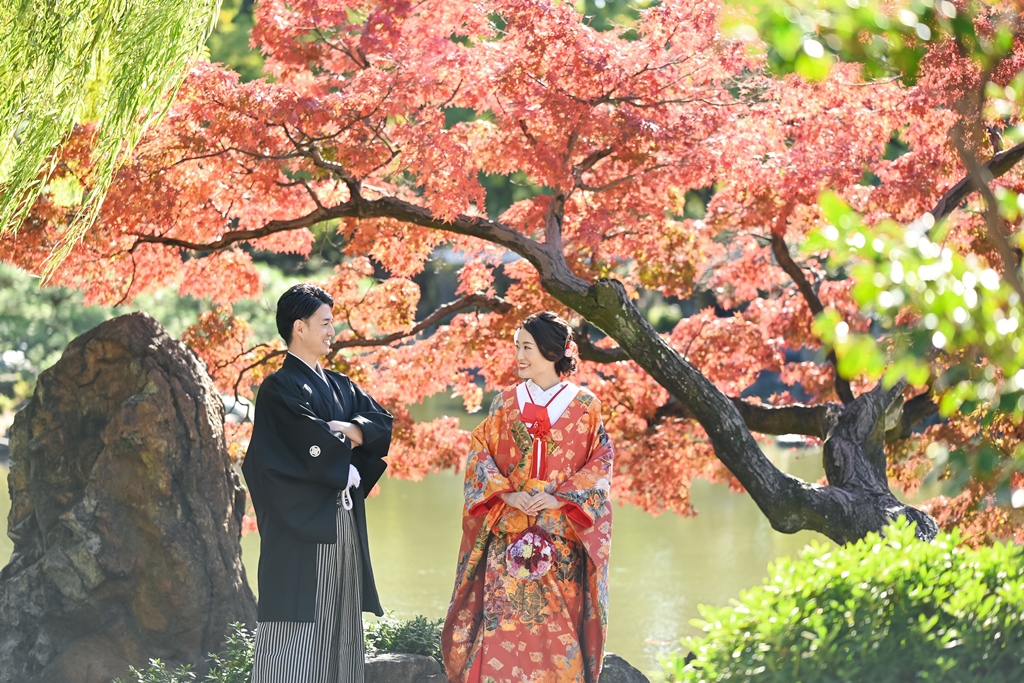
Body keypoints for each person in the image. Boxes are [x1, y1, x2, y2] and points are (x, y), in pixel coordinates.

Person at [442, 311, 614, 683]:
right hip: (509, 534)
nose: (518, 355)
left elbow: (601, 463)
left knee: (558, 637)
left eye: (527, 347)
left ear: (553, 352)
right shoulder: (505, 403)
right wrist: (507, 494)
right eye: (517, 346)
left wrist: (559, 499)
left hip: (561, 539)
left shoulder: (586, 405)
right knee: (501, 628)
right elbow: (480, 453)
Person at [241, 284, 393, 683]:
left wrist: (346, 428)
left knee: (342, 621)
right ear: (299, 328)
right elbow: (294, 448)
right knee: (298, 629)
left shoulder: (341, 385)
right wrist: (340, 459)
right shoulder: (278, 388)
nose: (332, 330)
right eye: (325, 323)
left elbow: (382, 423)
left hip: (342, 519)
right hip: (302, 526)